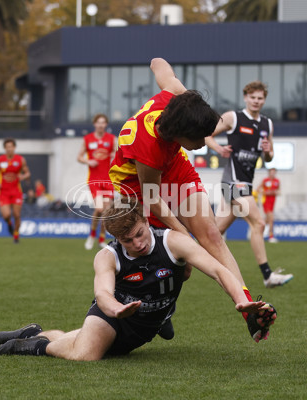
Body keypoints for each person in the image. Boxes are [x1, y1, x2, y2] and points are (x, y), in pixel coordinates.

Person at [0, 200, 277, 359]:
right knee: (86, 354)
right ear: (116, 238)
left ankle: (32, 332)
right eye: (127, 240)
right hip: (113, 315)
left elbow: (217, 269)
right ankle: (29, 347)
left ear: (146, 221)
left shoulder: (174, 242)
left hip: (142, 328)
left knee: (82, 342)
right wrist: (115, 309)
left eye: (139, 233)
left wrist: (242, 301)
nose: (137, 243)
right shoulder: (107, 255)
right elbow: (102, 292)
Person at [108, 58, 271, 342]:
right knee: (180, 266)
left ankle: (248, 310)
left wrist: (155, 60)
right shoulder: (149, 147)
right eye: (200, 138)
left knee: (211, 236)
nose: (203, 143)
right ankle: (161, 313)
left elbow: (160, 65)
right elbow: (152, 196)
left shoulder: (177, 96)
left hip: (172, 167)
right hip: (139, 187)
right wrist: (184, 238)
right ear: (180, 133)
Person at [205, 81, 293, 288]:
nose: (256, 101)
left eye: (260, 98)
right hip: (233, 181)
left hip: (245, 183)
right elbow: (206, 135)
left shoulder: (267, 124)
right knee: (259, 224)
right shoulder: (233, 118)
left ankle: (179, 258)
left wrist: (268, 150)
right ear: (246, 97)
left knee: (213, 232)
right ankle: (268, 275)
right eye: (252, 97)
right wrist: (218, 148)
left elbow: (269, 158)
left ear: (264, 100)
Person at [77, 114, 116, 250]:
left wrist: (114, 155)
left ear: (106, 125)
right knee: (99, 208)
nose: (100, 125)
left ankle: (101, 239)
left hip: (108, 179)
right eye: (98, 122)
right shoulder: (88, 139)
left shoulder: (111, 139)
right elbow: (79, 157)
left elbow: (118, 154)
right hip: (94, 180)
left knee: (106, 211)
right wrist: (88, 161)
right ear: (94, 124)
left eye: (103, 123)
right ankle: (92, 235)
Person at [0, 138, 31, 243]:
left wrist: (22, 177)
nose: (9, 149)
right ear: (5, 148)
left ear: (14, 147)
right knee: (6, 215)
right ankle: (9, 224)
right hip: (3, 192)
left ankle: (16, 235)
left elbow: (27, 173)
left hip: (16, 191)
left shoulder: (20, 160)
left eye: (11, 147)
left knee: (17, 215)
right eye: (7, 147)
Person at [257, 168, 281, 244]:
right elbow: (258, 190)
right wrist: (265, 192)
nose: (272, 174)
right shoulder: (265, 180)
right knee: (271, 218)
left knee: (266, 220)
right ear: (269, 173)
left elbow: (279, 191)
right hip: (266, 202)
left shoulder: (277, 181)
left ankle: (258, 233)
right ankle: (271, 236)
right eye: (271, 172)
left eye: (274, 172)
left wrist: (275, 192)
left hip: (272, 202)